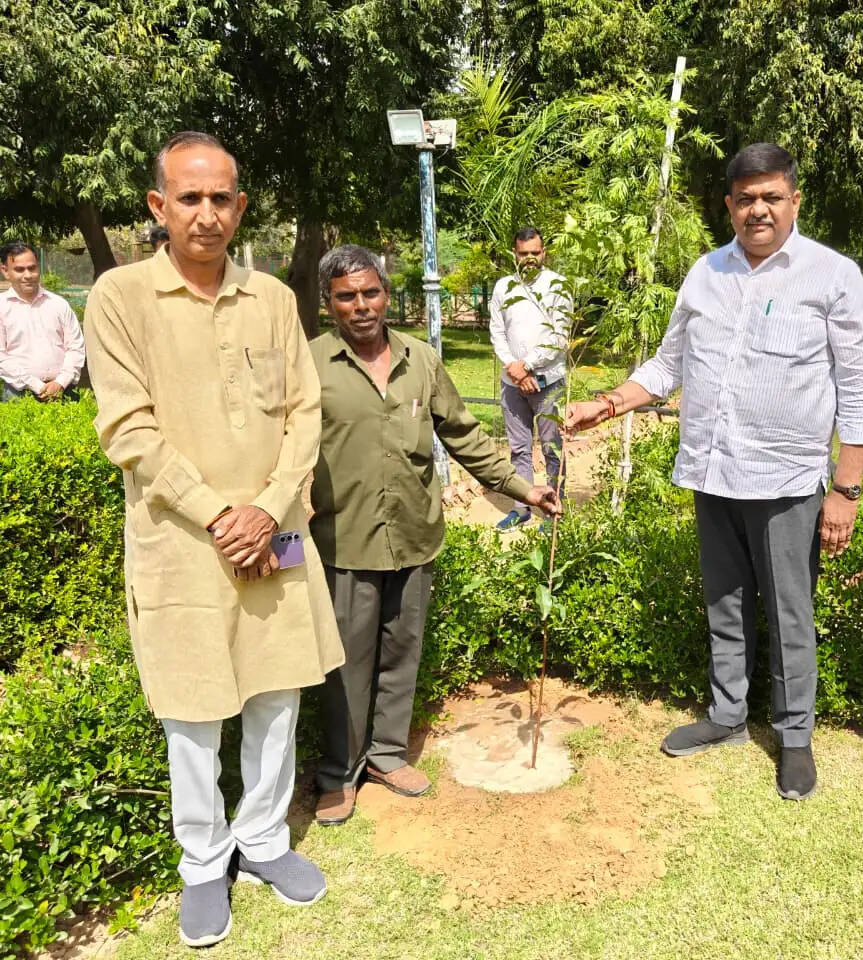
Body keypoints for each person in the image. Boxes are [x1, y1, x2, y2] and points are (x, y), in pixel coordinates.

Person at [83, 131, 345, 948]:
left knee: (276, 692)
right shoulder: (120, 297)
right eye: (188, 198)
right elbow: (127, 426)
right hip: (182, 540)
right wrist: (219, 515)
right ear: (158, 207)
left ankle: (264, 841)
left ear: (239, 207)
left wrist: (266, 509)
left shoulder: (270, 299)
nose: (206, 213)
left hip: (276, 532)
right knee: (193, 709)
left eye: (220, 198)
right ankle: (204, 861)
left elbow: (304, 411)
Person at [564, 143, 863, 801]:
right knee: (725, 603)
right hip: (714, 474)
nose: (757, 209)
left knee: (790, 613)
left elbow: (857, 389)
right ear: (729, 205)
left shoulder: (832, 275)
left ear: (795, 199)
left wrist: (845, 489)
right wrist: (607, 402)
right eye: (745, 198)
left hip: (789, 482)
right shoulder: (706, 273)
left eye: (771, 196)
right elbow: (667, 364)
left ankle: (794, 736)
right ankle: (728, 716)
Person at [308, 244, 561, 826]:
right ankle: (339, 773)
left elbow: (464, 434)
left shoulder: (420, 360)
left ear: (387, 294)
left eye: (370, 292)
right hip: (345, 540)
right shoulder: (312, 364)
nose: (361, 305)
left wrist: (524, 489)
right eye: (347, 296)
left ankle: (387, 756)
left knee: (401, 652)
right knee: (346, 662)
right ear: (330, 303)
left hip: (415, 535)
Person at [488, 226, 570, 530]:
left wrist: (529, 366)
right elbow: (497, 332)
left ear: (544, 252)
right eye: (524, 254)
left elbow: (559, 337)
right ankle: (521, 507)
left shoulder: (558, 286)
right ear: (515, 254)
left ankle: (554, 507)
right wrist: (514, 368)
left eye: (535, 252)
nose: (530, 258)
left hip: (548, 383)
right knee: (519, 448)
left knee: (552, 447)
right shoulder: (503, 288)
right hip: (513, 385)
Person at [0, 241, 85, 402]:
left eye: (32, 268)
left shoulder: (58, 304)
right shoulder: (1, 307)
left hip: (64, 391)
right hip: (18, 394)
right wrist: (37, 386)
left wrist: (60, 382)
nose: (28, 275)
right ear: (5, 271)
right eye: (19, 269)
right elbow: (1, 357)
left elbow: (76, 347)